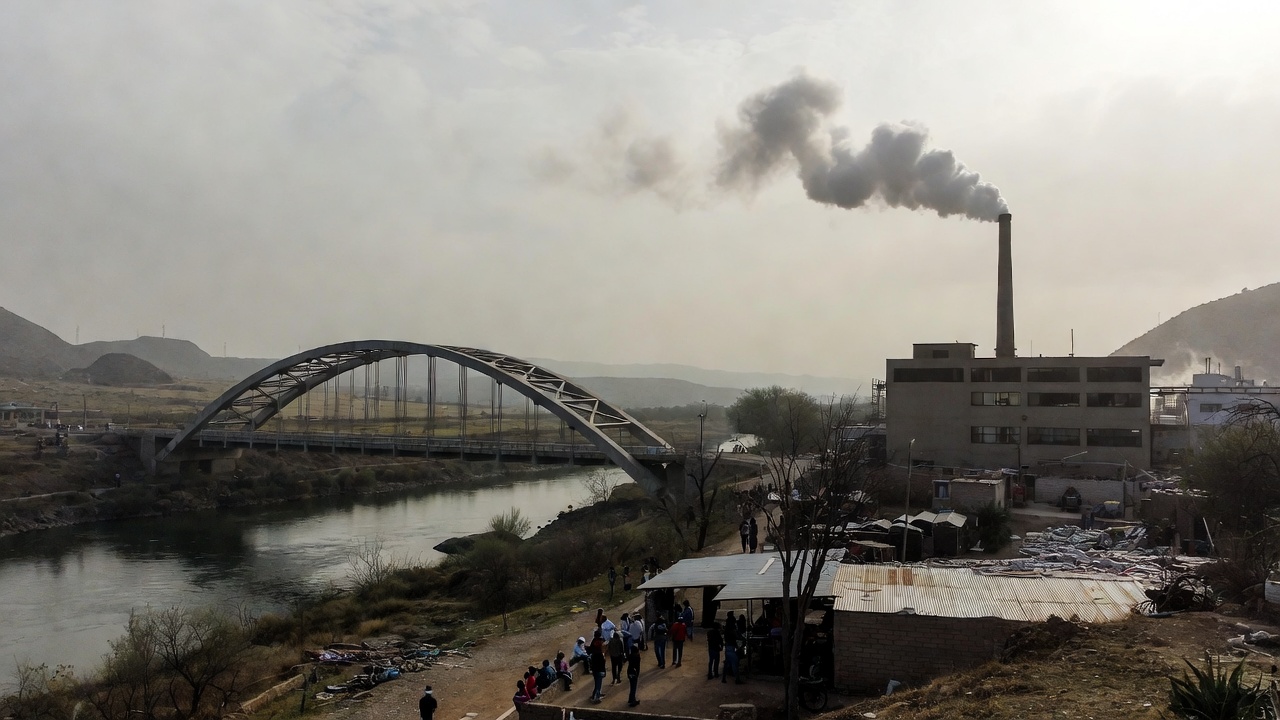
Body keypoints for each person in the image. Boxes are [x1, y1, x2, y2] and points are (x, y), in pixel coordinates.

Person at [723, 612, 741, 684]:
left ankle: (724, 678)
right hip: (731, 646)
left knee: (727, 663)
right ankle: (737, 679)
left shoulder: (727, 627)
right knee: (734, 663)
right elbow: (736, 635)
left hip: (728, 646)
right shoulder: (731, 628)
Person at [589, 636, 607, 702]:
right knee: (598, 685)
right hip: (599, 670)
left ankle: (595, 695)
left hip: (595, 670)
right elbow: (602, 663)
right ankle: (596, 698)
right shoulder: (600, 655)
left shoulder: (593, 654)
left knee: (597, 684)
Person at [626, 640, 642, 706]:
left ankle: (631, 699)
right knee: (633, 688)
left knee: (632, 687)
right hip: (634, 672)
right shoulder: (637, 657)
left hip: (629, 671)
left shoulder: (630, 656)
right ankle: (632, 701)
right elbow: (638, 666)